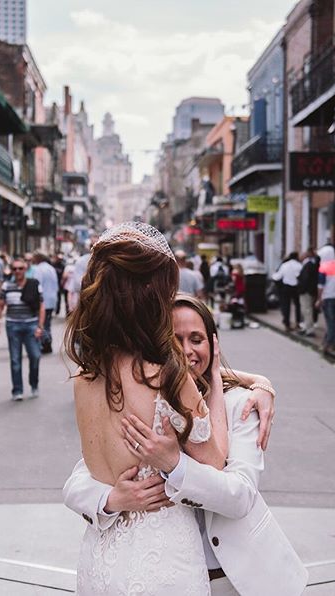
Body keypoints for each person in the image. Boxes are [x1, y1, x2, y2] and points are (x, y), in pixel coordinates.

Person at [63, 294, 307, 596]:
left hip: (236, 580)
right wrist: (114, 499)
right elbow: (79, 479)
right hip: (168, 578)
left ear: (213, 345)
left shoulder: (241, 405)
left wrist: (174, 464)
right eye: (174, 339)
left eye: (197, 339)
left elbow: (241, 495)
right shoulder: (145, 400)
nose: (186, 350)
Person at [65, 222, 233, 594]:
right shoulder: (165, 377)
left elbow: (89, 470)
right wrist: (218, 386)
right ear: (149, 297)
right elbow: (216, 464)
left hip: (99, 559)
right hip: (163, 561)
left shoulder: (84, 378)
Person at [0, 256, 45, 401]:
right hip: (13, 325)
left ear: (26, 269)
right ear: (11, 270)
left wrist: (40, 326)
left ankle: (34, 383)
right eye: (14, 269)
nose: (17, 271)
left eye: (20, 268)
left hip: (31, 324)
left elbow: (41, 307)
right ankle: (17, 390)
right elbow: (0, 305)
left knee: (35, 356)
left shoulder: (34, 284)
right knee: (15, 359)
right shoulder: (6, 286)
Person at [32, 251, 59, 354]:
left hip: (43, 300)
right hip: (51, 299)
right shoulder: (51, 268)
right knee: (47, 323)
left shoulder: (39, 269)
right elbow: (56, 285)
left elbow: (36, 285)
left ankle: (46, 341)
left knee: (41, 323)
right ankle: (47, 342)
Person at [272, 252, 302, 331]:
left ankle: (287, 323)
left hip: (286, 287)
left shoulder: (284, 265)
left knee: (286, 305)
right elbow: (300, 276)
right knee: (298, 305)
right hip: (296, 287)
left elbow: (277, 276)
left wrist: (273, 276)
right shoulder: (299, 265)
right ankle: (298, 322)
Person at [297, 248, 319, 337]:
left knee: (307, 310)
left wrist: (302, 288)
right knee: (305, 310)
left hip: (306, 291)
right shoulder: (309, 264)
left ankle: (309, 329)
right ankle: (306, 327)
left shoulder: (308, 265)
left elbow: (306, 279)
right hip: (307, 290)